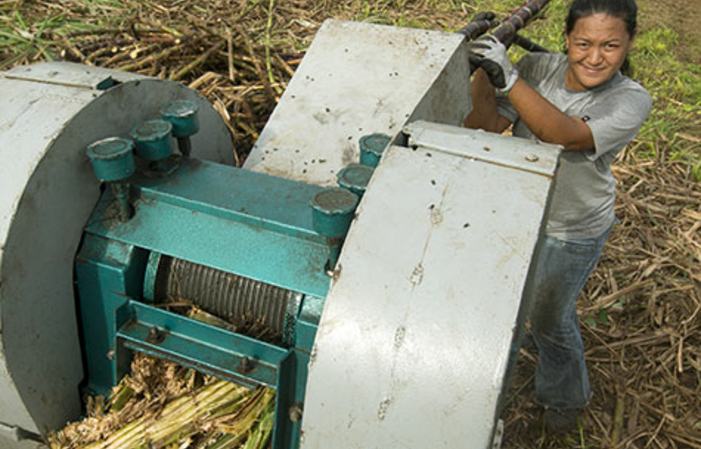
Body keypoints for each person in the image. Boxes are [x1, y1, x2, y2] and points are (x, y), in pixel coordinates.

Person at [464, 0, 652, 434]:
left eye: (610, 46)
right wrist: (483, 74)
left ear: (628, 45)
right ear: (567, 39)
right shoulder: (539, 68)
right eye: (583, 43)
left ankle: (567, 395)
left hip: (574, 227)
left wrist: (508, 77)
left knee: (551, 317)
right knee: (520, 302)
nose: (594, 56)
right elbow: (486, 125)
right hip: (525, 214)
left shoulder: (630, 99)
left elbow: (563, 135)